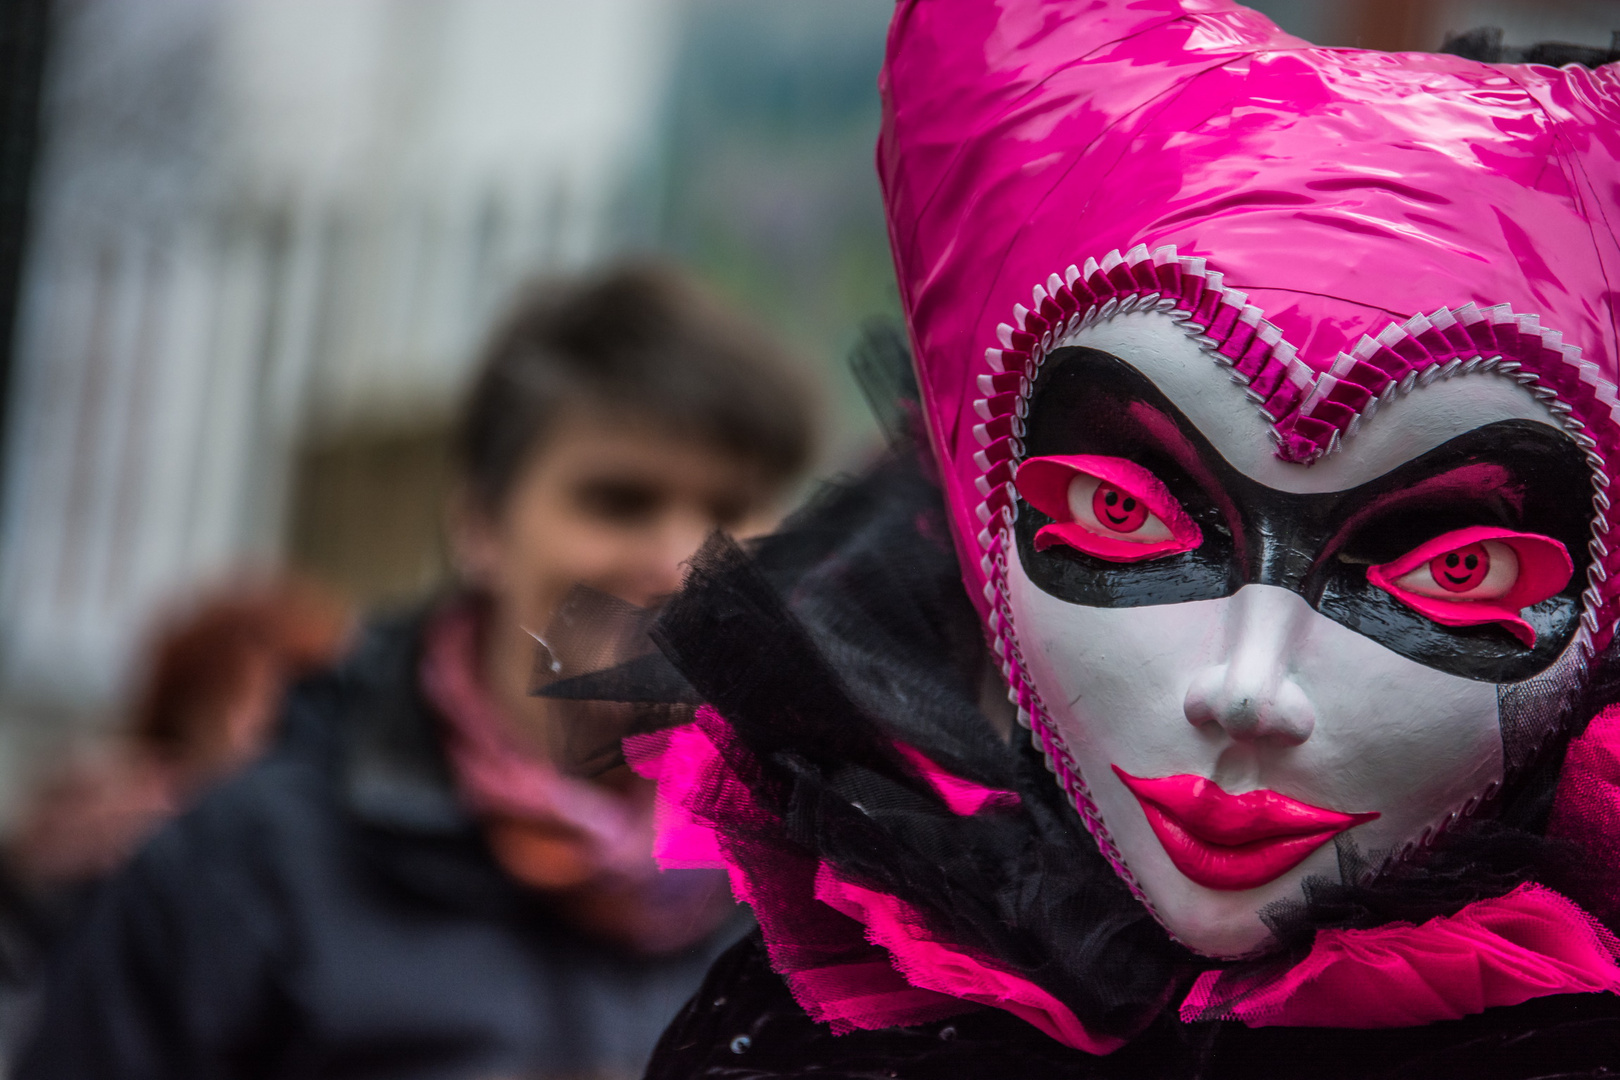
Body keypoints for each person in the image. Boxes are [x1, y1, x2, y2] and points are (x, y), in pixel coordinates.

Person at [536, 4, 1620, 1077]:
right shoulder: (827, 1032)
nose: (1246, 692)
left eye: (1454, 568)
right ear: (983, 514)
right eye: (1124, 511)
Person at [17, 262, 817, 1080]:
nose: (680, 560)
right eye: (619, 501)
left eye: (727, 511)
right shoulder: (246, 873)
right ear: (479, 525)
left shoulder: (826, 893)